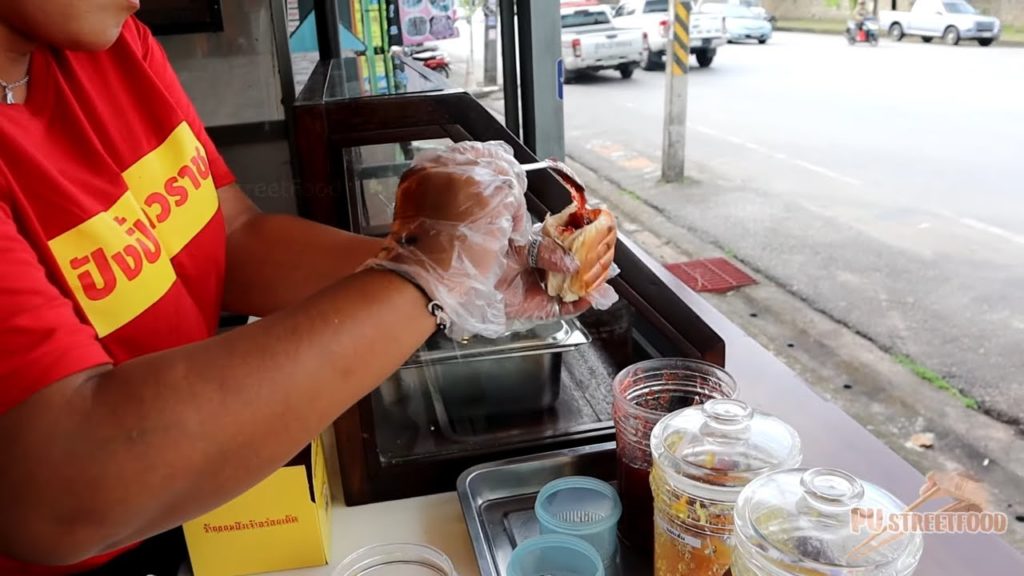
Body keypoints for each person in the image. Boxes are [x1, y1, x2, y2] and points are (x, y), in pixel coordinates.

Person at [0, 2, 617, 574]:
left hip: (184, 500)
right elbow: (62, 487)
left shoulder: (114, 47)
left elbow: (232, 241)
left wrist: (472, 277)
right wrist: (426, 277)